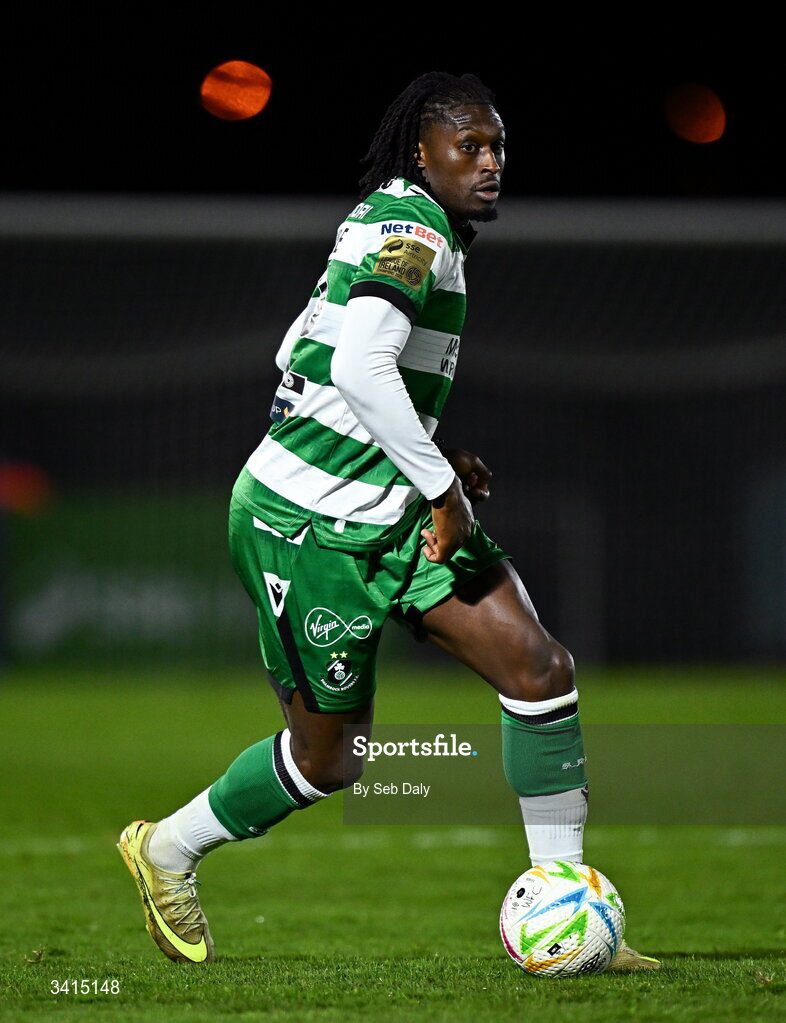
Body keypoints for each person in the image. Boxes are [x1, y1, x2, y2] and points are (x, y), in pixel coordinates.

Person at [118, 71, 658, 971]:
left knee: (538, 667)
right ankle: (167, 849)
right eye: (470, 147)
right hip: (305, 522)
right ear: (422, 150)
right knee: (329, 762)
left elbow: (311, 351)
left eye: (498, 149)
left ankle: (570, 913)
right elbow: (363, 365)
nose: (491, 165)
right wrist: (441, 486)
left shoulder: (419, 228)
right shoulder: (407, 226)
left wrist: (432, 463)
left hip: (392, 512)